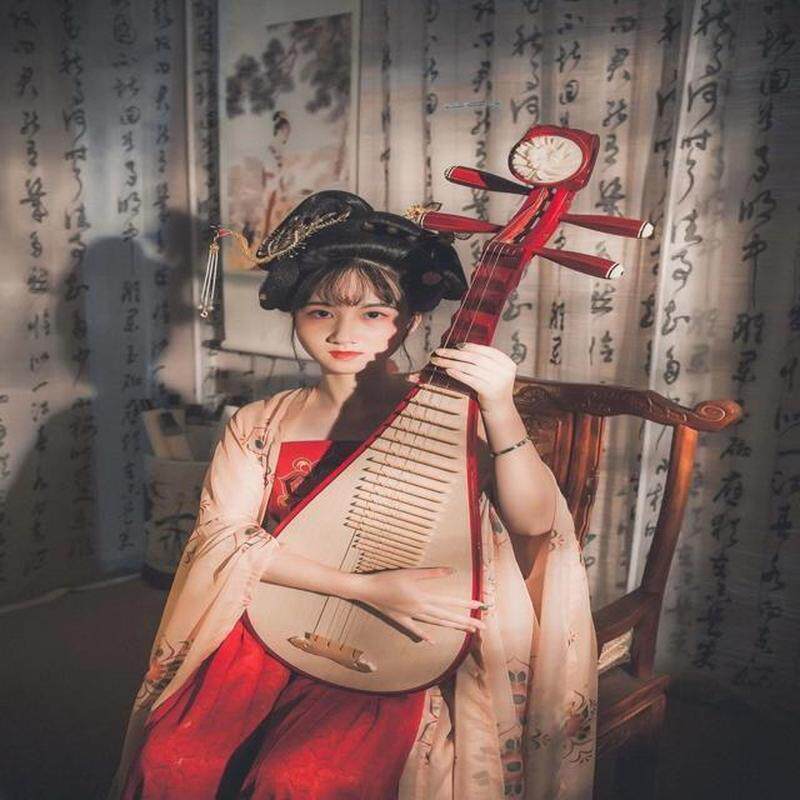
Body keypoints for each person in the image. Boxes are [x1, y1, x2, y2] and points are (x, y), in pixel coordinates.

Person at [108, 191, 597, 799]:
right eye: (321, 312)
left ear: (410, 321)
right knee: (171, 759)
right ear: (295, 316)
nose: (344, 333)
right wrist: (365, 587)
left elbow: (535, 524)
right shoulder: (261, 422)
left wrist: (499, 407)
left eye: (374, 314)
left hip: (400, 636)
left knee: (301, 779)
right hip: (270, 613)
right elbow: (222, 539)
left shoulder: (450, 410)